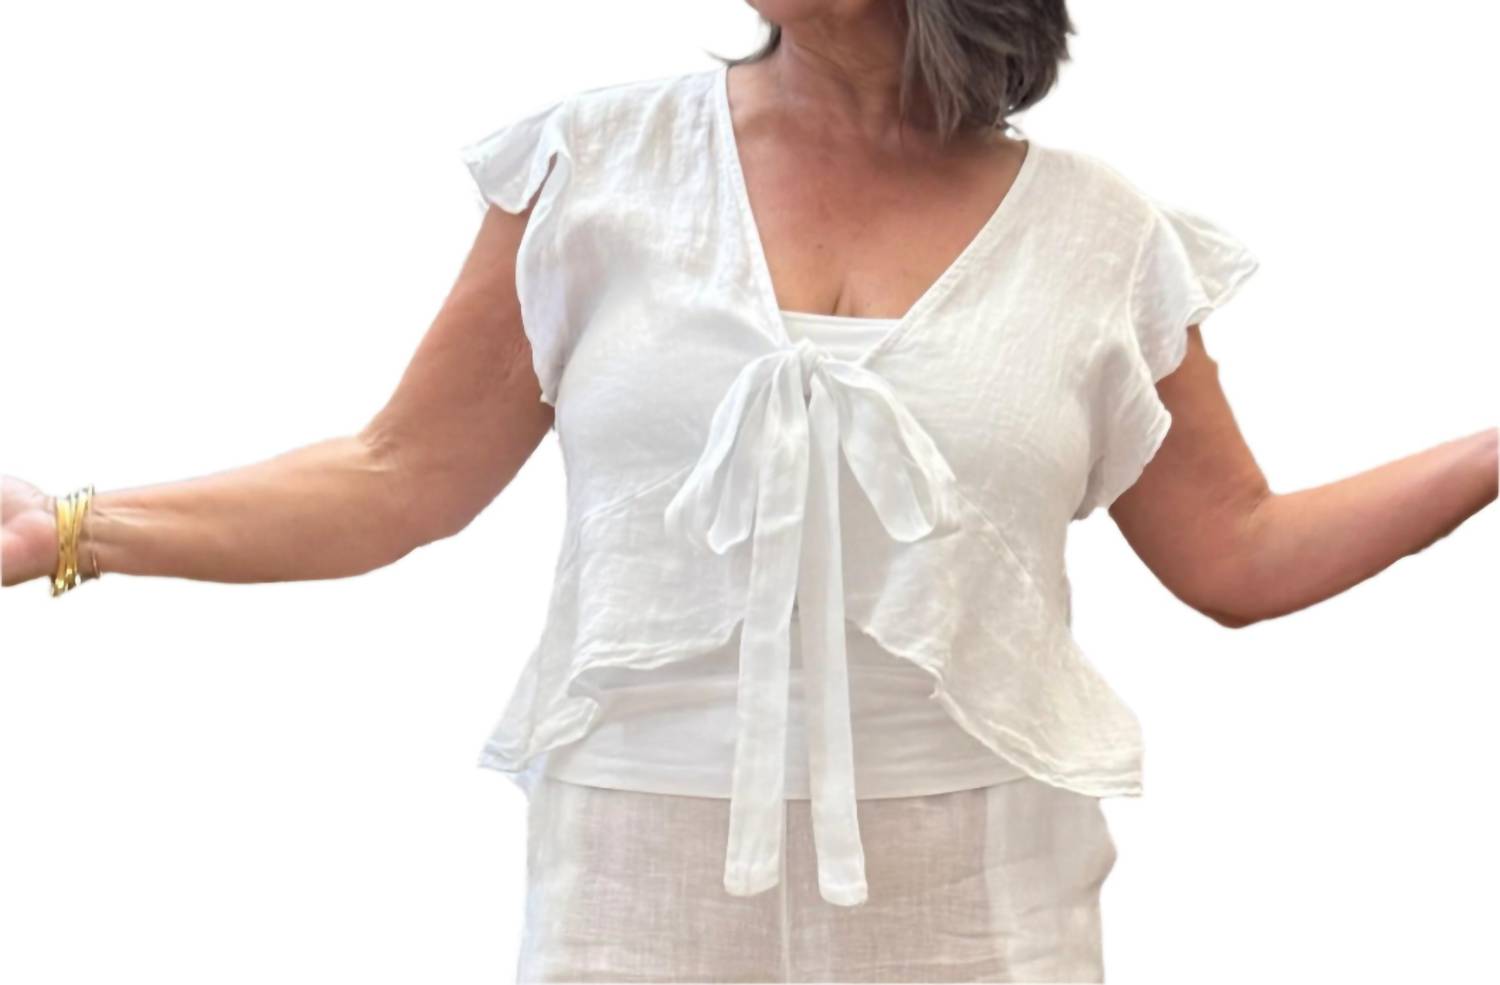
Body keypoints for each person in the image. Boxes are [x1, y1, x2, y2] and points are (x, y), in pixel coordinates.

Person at [3, 1, 1496, 982]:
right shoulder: (601, 169)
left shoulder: (1097, 234)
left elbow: (1238, 550)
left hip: (976, 905)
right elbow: (397, 479)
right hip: (635, 898)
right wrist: (74, 528)